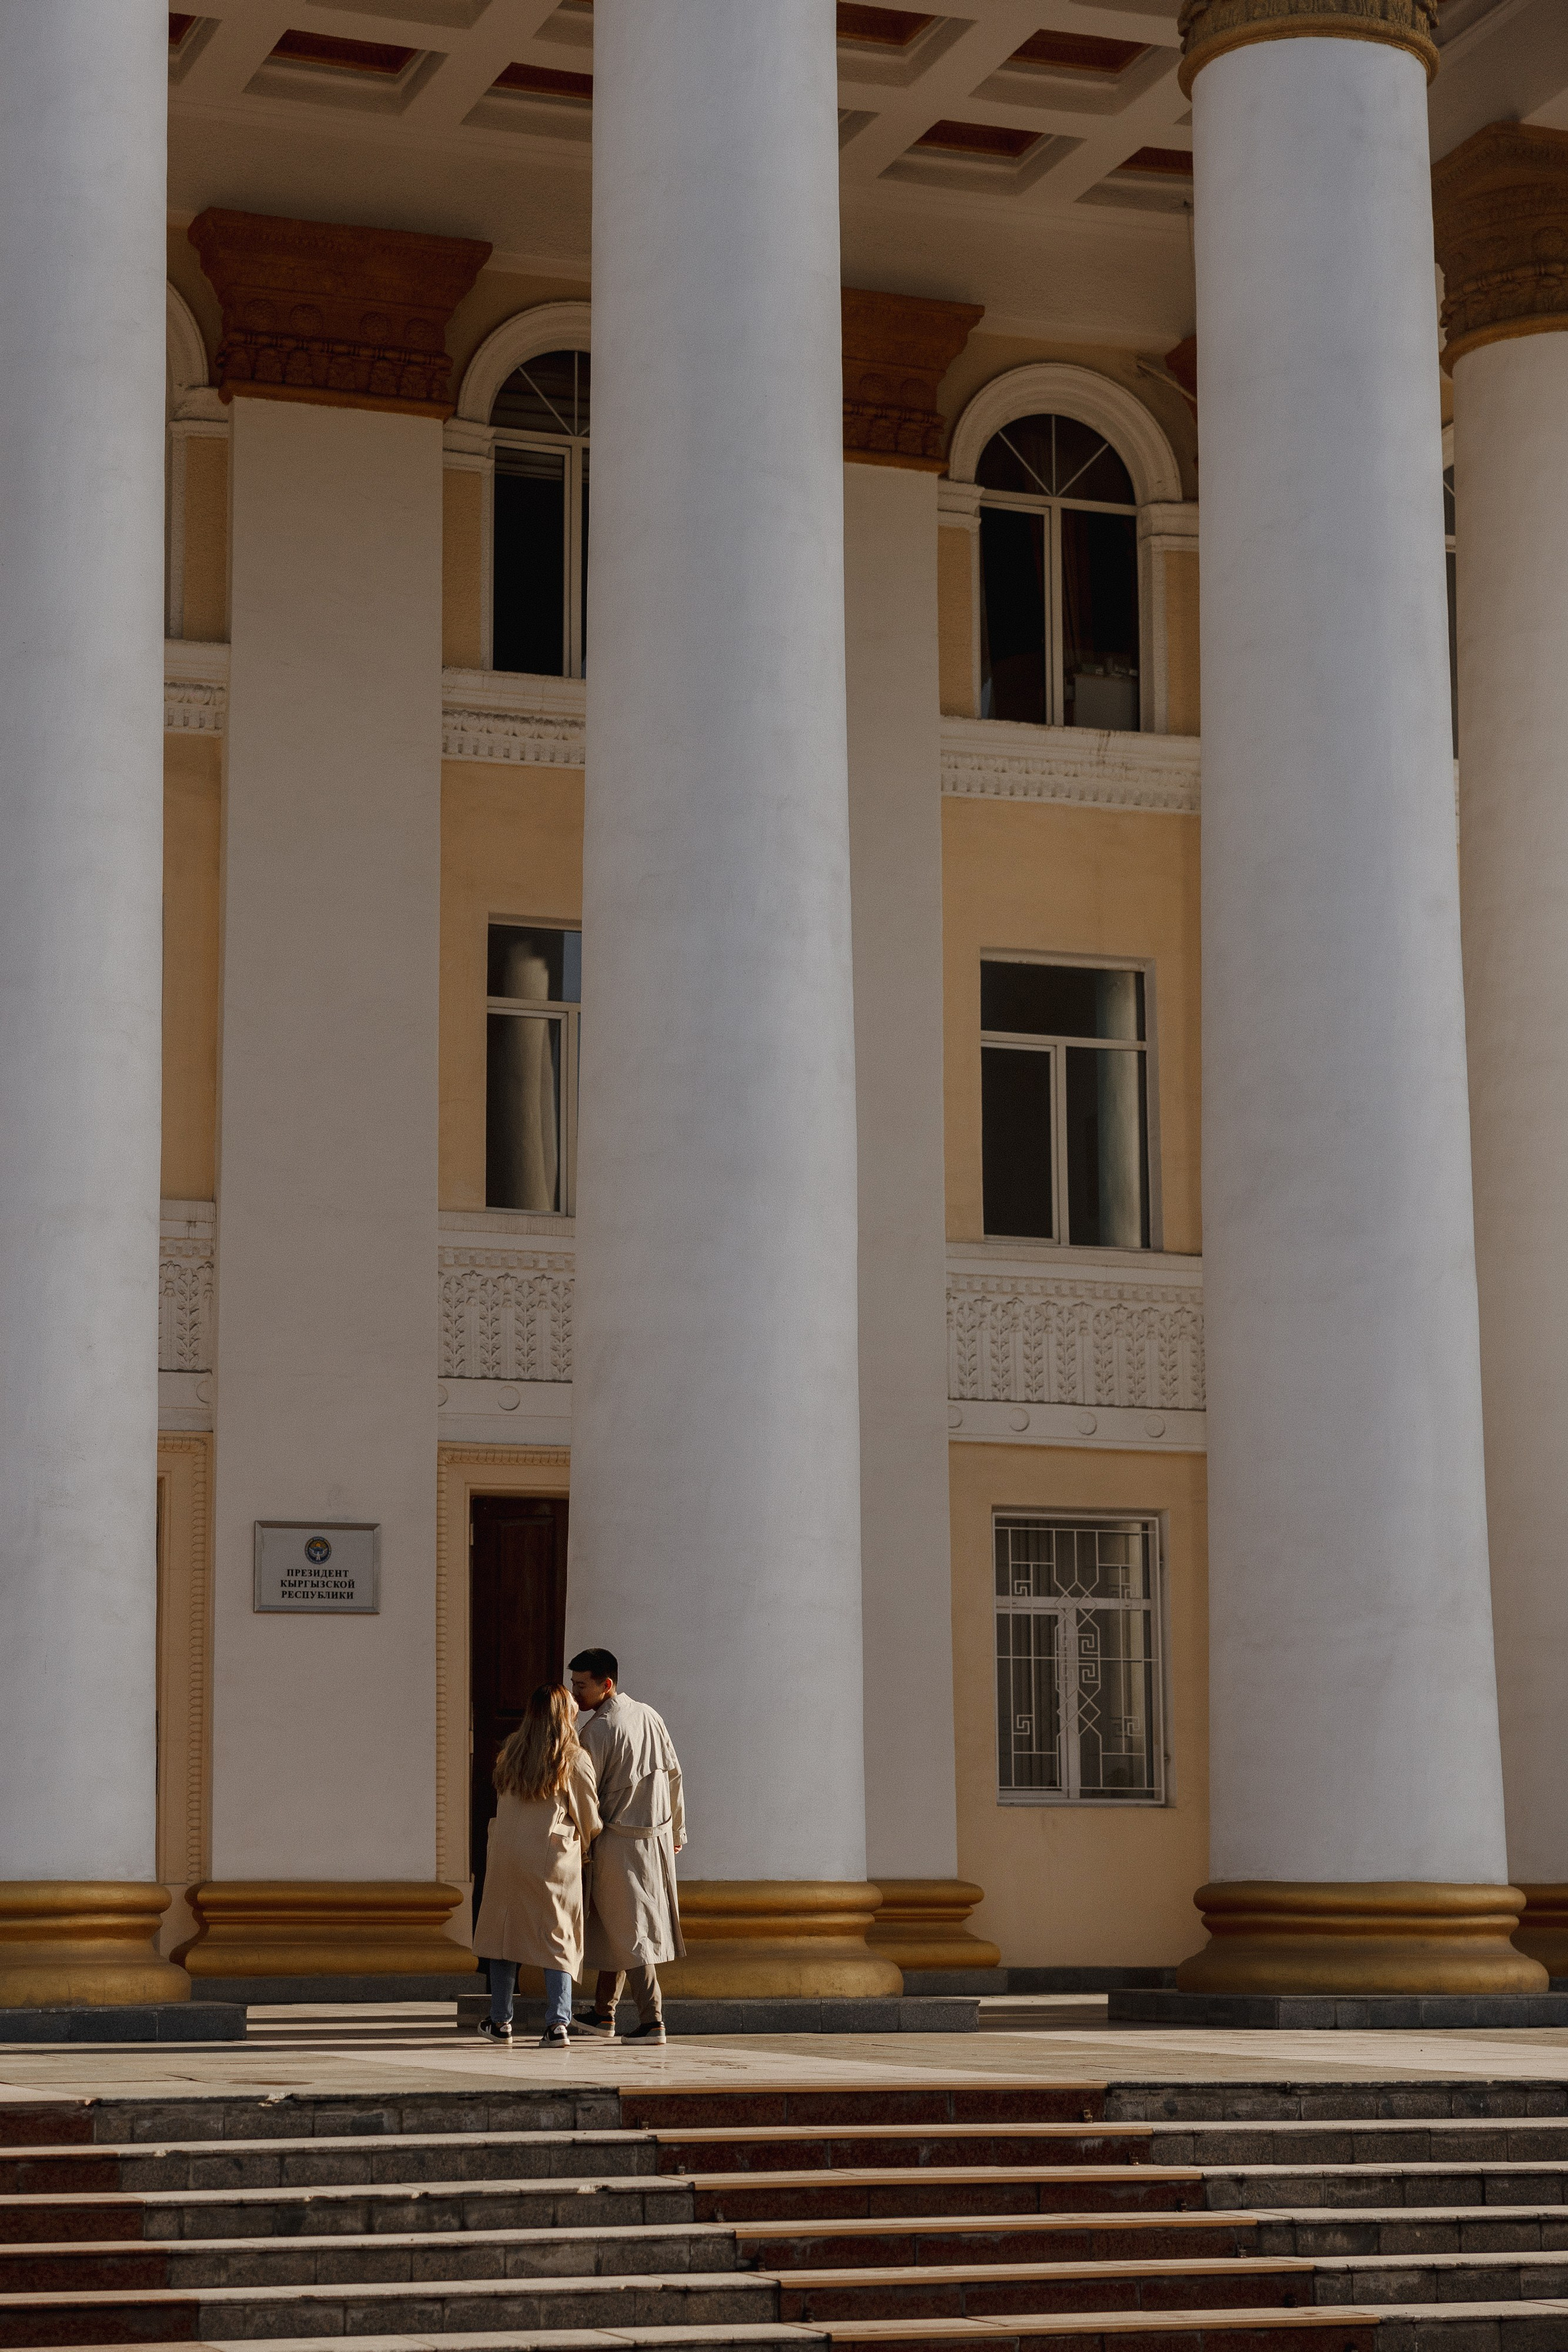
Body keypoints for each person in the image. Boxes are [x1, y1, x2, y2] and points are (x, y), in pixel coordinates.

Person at [472, 1682, 601, 2047]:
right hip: (551, 1858)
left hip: (508, 1856)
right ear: (566, 1715)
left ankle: (500, 2022)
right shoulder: (574, 1758)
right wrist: (590, 1843)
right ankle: (557, 2024)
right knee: (556, 1937)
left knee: (504, 1935)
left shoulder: (511, 1750)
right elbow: (588, 1815)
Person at [568, 1646, 685, 2045]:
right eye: (572, 1684)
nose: (574, 1693)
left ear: (607, 1684)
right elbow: (674, 1776)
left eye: (581, 1685)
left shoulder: (597, 1731)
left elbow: (584, 1794)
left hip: (617, 1842)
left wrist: (580, 1841)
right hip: (656, 1840)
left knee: (631, 1933)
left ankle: (653, 2021)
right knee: (619, 1925)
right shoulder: (650, 1715)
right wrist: (678, 1832)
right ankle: (603, 2014)